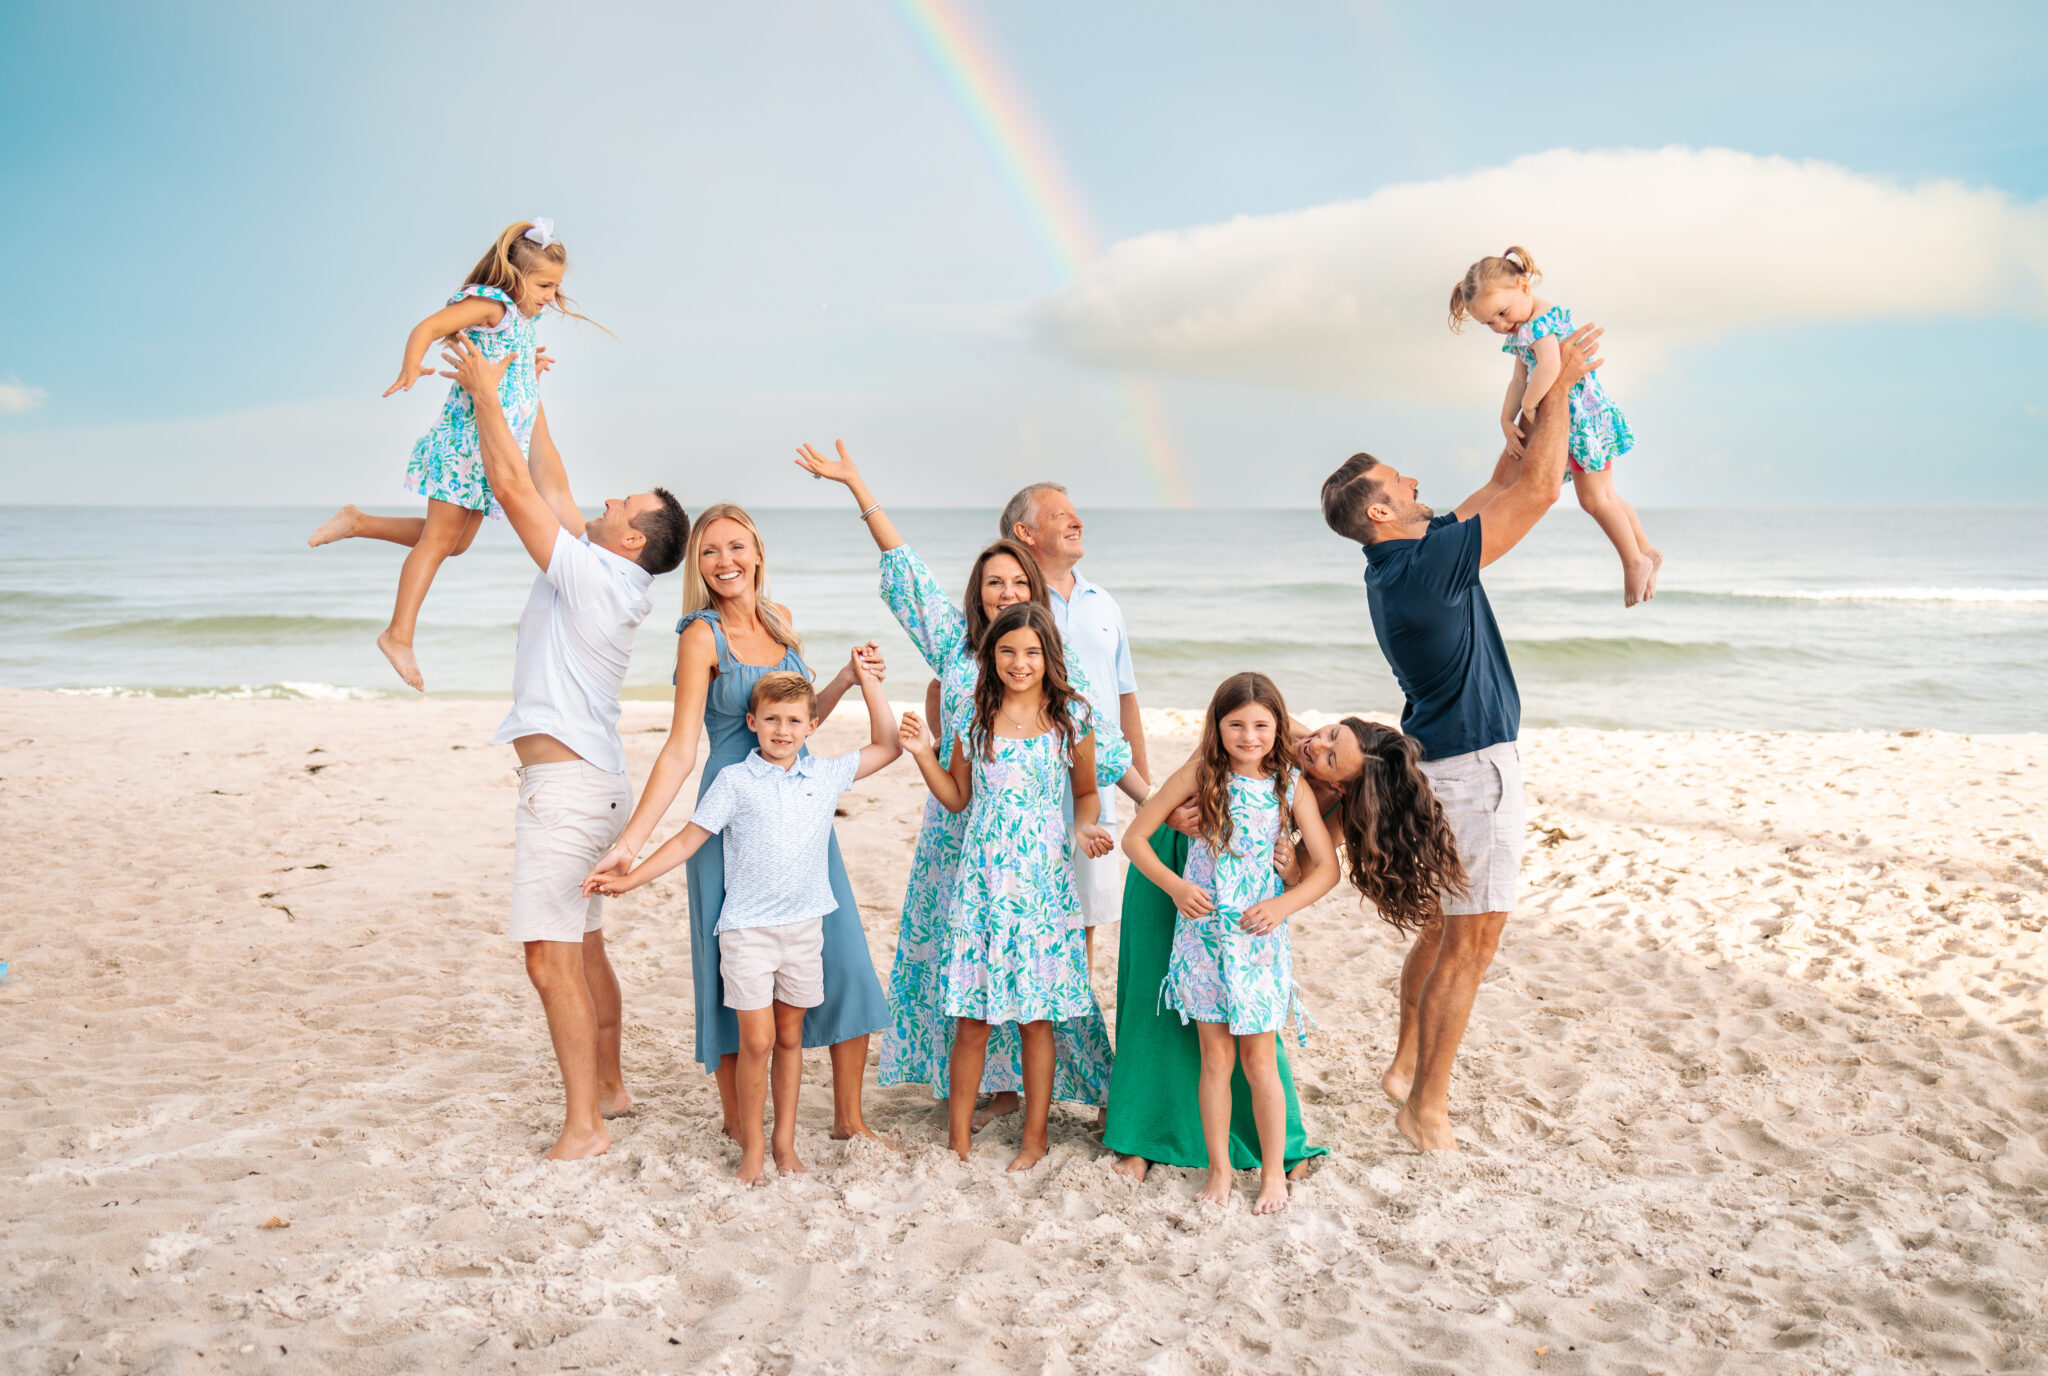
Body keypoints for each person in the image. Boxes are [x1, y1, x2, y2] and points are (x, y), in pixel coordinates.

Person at [791, 441, 1145, 1130]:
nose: (1006, 593)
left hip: (1031, 838)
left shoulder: (1047, 663)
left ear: (1033, 592)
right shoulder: (953, 646)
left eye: (1017, 584)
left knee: (1034, 972)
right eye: (993, 584)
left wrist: (1153, 803)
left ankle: (1030, 1092)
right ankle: (984, 1089)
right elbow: (906, 569)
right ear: (977, 594)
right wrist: (858, 485)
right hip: (958, 832)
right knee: (966, 977)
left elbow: (1101, 750)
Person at [1319, 321, 1606, 1152]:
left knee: (1445, 931)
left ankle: (1407, 1067)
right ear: (1379, 510)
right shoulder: (1419, 570)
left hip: (1445, 764)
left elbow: (1504, 480)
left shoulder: (1413, 554)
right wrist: (1563, 382)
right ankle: (1426, 1109)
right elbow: (1544, 490)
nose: (1414, 479)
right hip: (1475, 769)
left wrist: (1535, 391)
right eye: (1396, 480)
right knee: (1472, 943)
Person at [429, 334, 688, 1161]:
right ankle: (609, 1086)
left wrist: (482, 394)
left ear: (633, 539)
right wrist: (526, 397)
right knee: (581, 945)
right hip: (592, 778)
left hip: (567, 788)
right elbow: (553, 482)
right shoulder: (610, 570)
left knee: (549, 959)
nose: (606, 502)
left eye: (622, 506)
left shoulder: (596, 577)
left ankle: (586, 1125)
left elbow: (512, 486)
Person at [584, 505, 892, 1145]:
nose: (724, 563)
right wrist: (633, 844)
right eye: (709, 552)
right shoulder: (700, 635)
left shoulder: (782, 623)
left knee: (844, 954)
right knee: (731, 968)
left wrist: (845, 679)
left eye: (736, 547)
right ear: (697, 565)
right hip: (727, 812)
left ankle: (848, 1118)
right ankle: (739, 1116)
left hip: (800, 807)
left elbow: (800, 718)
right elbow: (679, 747)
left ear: (757, 552)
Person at [584, 665, 900, 1183]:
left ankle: (783, 1145)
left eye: (794, 720)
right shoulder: (734, 781)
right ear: (751, 721)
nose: (782, 730)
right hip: (747, 932)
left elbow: (887, 745)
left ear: (811, 727)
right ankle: (752, 1147)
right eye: (771, 718)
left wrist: (866, 680)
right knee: (756, 1041)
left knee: (792, 1038)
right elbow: (688, 840)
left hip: (804, 930)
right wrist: (630, 878)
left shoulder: (824, 775)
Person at [309, 218, 603, 690]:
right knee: (437, 542)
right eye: (544, 285)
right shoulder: (491, 305)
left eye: (556, 286)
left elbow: (504, 367)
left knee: (456, 543)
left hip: (490, 450)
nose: (551, 295)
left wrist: (528, 367)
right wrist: (410, 368)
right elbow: (428, 326)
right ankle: (397, 634)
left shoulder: (524, 319)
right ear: (515, 277)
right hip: (464, 445)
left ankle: (358, 523)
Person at [899, 602, 1113, 1171]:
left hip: (1042, 884)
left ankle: (1034, 1139)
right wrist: (923, 753)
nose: (1020, 663)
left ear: (1049, 658)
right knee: (972, 1019)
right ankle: (958, 1141)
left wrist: (1084, 825)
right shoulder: (975, 715)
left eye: (1032, 653)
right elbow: (957, 798)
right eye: (1007, 651)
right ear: (991, 656)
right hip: (982, 886)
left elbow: (1087, 792)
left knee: (1036, 1019)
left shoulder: (1072, 717)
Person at [1123, 673, 1339, 1213]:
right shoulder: (1200, 772)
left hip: (1260, 943)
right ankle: (1219, 1171)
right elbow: (1135, 838)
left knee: (1260, 1060)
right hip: (1202, 940)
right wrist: (1175, 887)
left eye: (1262, 725)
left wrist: (1282, 904)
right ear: (1216, 727)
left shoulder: (1290, 785)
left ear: (1279, 727)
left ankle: (1272, 1174)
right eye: (1236, 724)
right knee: (1215, 1061)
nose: (1248, 736)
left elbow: (1327, 869)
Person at [1449, 247, 1660, 606]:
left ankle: (1633, 560)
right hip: (1577, 418)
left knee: (1595, 500)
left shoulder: (1541, 323)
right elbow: (1519, 379)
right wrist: (1506, 418)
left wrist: (1530, 406)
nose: (1501, 326)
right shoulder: (1523, 327)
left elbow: (1547, 368)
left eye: (1502, 313)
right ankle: (1646, 550)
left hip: (1579, 420)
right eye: (1489, 323)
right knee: (1606, 496)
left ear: (1523, 286)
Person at [1000, 483, 1147, 969]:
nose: (1076, 520)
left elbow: (1125, 699)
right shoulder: (1007, 606)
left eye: (1074, 512)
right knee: (1019, 925)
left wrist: (1145, 794)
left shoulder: (1103, 603)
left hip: (1095, 795)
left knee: (1082, 924)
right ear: (1027, 532)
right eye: (1060, 514)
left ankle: (1069, 1043)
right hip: (1027, 798)